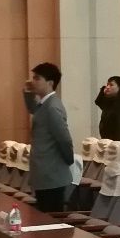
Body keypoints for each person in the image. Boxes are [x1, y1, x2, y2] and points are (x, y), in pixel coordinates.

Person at [24, 62, 75, 213]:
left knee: (51, 217)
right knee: (44, 215)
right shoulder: (44, 104)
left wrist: (68, 161)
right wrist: (28, 92)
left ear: (50, 83)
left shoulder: (52, 107)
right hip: (45, 173)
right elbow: (34, 110)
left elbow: (64, 139)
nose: (33, 81)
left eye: (37, 78)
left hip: (52, 173)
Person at [94, 76, 120, 141]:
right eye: (107, 85)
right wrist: (103, 89)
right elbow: (98, 102)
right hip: (106, 141)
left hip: (118, 143)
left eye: (111, 85)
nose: (107, 87)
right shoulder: (108, 104)